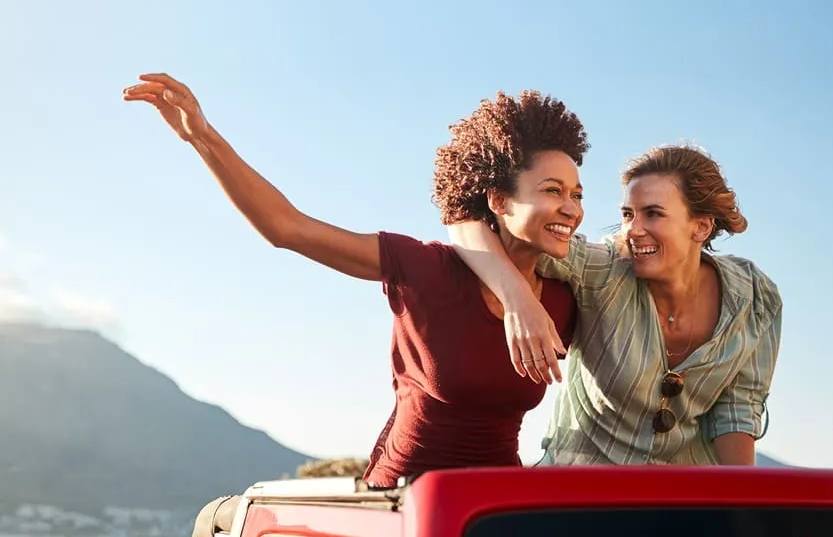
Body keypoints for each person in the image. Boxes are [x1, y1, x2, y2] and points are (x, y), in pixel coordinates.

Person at [122, 73, 587, 485]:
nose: (572, 208)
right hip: (402, 503)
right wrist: (203, 139)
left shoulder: (566, 300)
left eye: (577, 194)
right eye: (553, 191)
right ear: (499, 201)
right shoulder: (426, 270)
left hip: (491, 505)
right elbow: (288, 228)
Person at [448, 144, 782, 466]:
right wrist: (518, 300)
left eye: (653, 214)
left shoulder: (754, 297)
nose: (633, 230)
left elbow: (738, 410)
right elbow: (464, 222)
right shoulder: (604, 267)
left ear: (702, 226)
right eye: (627, 214)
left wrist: (738, 511)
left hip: (680, 502)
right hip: (577, 492)